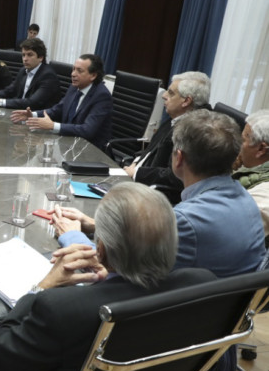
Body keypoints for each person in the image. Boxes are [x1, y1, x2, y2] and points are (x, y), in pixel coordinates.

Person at [0, 182, 216, 371]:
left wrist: (41, 288)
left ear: (101, 250)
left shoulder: (60, 309)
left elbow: (1, 361)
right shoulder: (203, 286)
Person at [54, 109, 264, 278]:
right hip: (222, 309)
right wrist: (99, 225)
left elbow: (113, 271)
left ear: (179, 158)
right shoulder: (246, 200)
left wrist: (72, 235)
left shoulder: (184, 221)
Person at [122, 71, 211, 202]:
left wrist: (136, 172)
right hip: (138, 179)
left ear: (186, 101)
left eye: (171, 93)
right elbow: (151, 150)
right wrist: (135, 163)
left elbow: (175, 176)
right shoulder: (177, 117)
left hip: (154, 196)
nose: (164, 96)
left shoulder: (193, 130)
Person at [10, 54, 112, 150]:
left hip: (90, 150)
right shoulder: (74, 87)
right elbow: (57, 110)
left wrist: (53, 126)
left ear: (93, 75)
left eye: (79, 71)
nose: (73, 74)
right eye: (73, 69)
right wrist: (32, 115)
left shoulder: (101, 96)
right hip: (68, 144)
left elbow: (87, 130)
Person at [0, 38, 60, 110]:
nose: (25, 59)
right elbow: (10, 90)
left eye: (30, 55)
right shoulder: (23, 70)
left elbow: (32, 103)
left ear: (41, 57)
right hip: (20, 112)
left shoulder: (48, 76)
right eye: (23, 55)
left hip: (38, 117)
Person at [232, 109, 269, 239]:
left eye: (243, 140)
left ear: (261, 149)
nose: (238, 144)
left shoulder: (262, 192)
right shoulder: (254, 169)